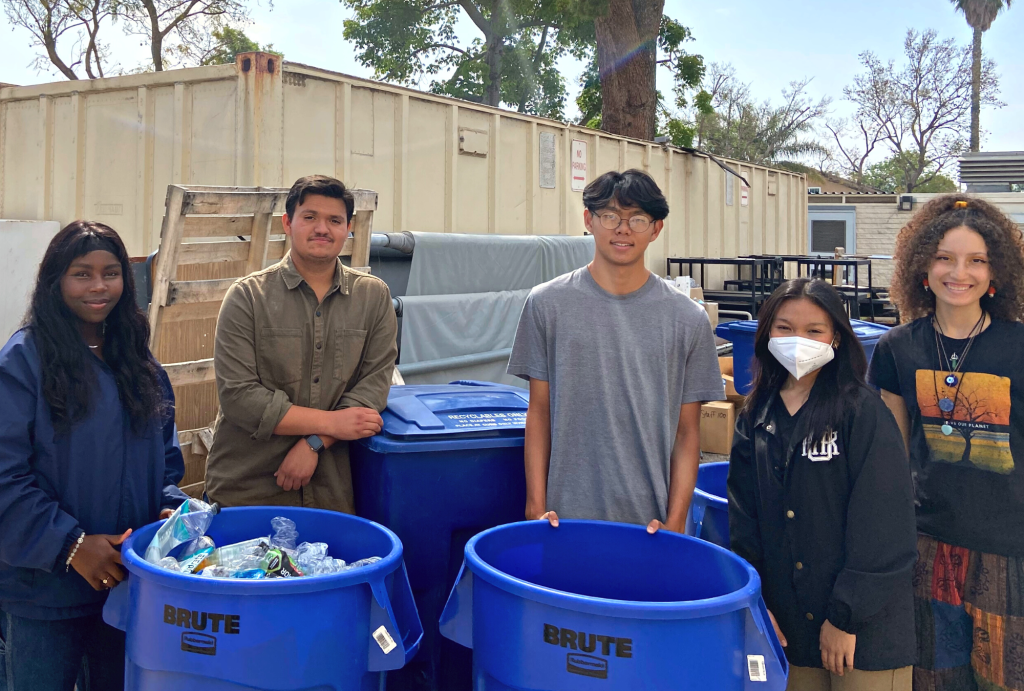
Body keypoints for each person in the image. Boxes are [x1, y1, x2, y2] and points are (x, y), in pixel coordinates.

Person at [0, 221, 187, 690]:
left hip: (126, 586)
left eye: (111, 272)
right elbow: (5, 476)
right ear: (55, 281)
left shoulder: (137, 361)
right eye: (81, 274)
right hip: (44, 591)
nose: (99, 286)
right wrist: (72, 544)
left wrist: (166, 508)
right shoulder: (25, 361)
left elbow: (163, 457)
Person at [507, 169, 723, 533]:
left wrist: (675, 521)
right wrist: (536, 504)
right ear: (589, 220)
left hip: (652, 524)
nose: (622, 229)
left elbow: (688, 433)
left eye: (637, 219)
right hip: (562, 520)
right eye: (610, 216)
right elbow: (539, 411)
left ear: (656, 229)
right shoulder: (546, 304)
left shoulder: (688, 318)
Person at [728, 278, 917, 691]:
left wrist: (846, 616)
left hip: (862, 631)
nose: (798, 340)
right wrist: (756, 603)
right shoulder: (757, 413)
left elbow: (883, 523)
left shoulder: (861, 412)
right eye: (784, 327)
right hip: (787, 625)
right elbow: (744, 520)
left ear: (836, 338)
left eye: (814, 330)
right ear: (766, 334)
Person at [868, 195, 1024, 691]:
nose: (960, 272)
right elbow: (890, 456)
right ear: (922, 268)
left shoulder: (1018, 346)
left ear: (995, 272)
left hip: (1009, 548)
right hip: (927, 544)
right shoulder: (897, 348)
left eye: (976, 260)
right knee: (935, 681)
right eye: (945, 258)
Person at [205, 175, 398, 512]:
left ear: (348, 227)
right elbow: (239, 396)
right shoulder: (248, 297)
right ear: (287, 223)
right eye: (310, 217)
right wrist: (332, 423)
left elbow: (374, 385)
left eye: (334, 220)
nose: (322, 228)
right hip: (248, 487)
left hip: (335, 491)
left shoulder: (374, 297)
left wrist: (314, 443)